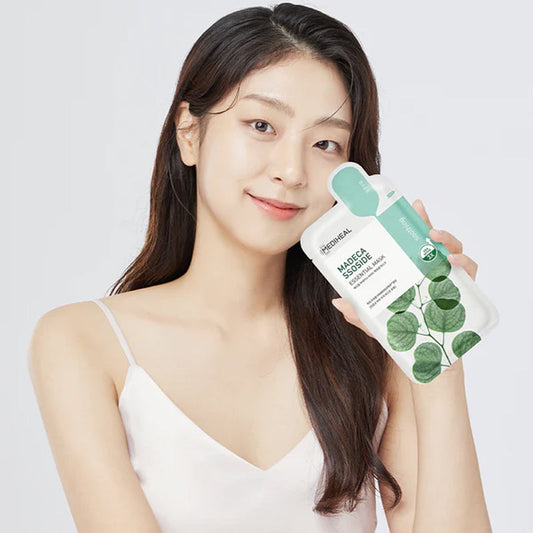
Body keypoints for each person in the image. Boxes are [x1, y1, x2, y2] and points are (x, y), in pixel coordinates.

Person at [27, 3, 491, 532]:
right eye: (262, 125)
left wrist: (439, 352)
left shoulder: (373, 344)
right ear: (189, 132)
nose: (291, 171)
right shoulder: (84, 342)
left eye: (325, 143)